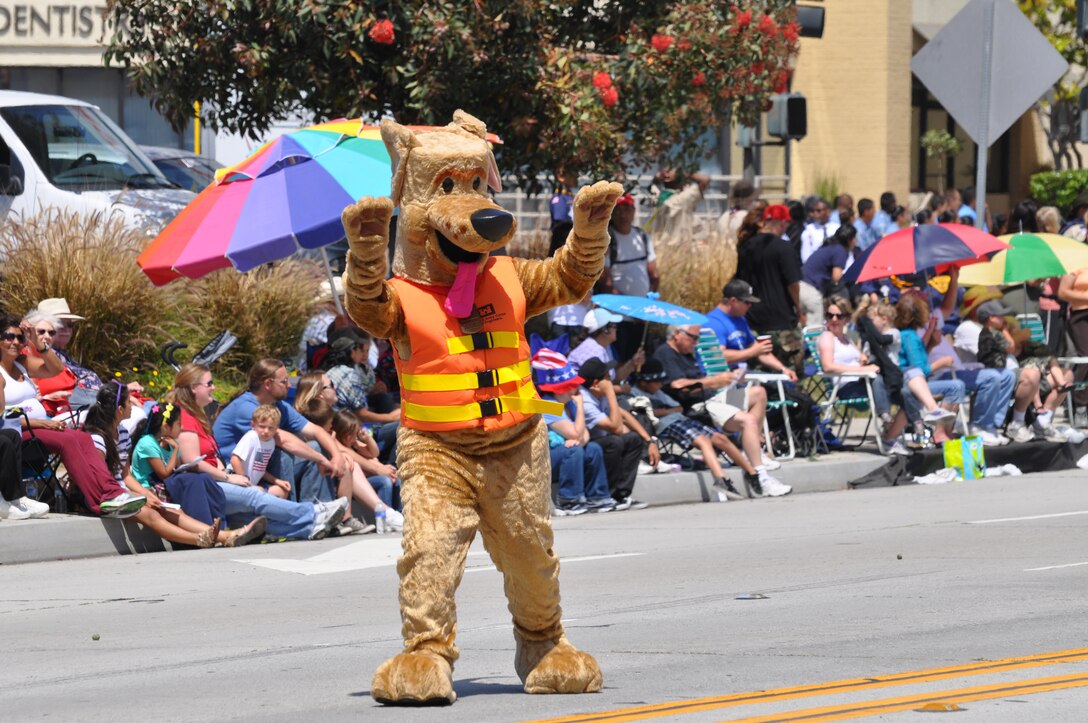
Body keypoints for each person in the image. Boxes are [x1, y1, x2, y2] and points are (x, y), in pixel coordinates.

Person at [167, 364, 350, 542]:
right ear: (193, 388)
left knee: (249, 516)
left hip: (219, 478)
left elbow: (213, 456)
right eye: (209, 384)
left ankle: (309, 528)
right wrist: (229, 478)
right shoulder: (185, 417)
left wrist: (337, 456)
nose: (213, 387)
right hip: (209, 483)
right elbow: (193, 462)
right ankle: (314, 512)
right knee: (255, 496)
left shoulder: (194, 416)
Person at [1, 314, 144, 517]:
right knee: (69, 441)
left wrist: (36, 341)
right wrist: (41, 422)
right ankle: (99, 501)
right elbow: (3, 418)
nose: (15, 342)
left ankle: (111, 492)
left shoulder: (21, 363)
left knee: (83, 436)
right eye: (8, 336)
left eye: (19, 337)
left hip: (40, 429)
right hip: (18, 434)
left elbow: (56, 369)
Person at [83, 383, 229, 548]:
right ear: (120, 409)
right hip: (107, 497)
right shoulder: (97, 439)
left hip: (121, 493)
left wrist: (146, 495)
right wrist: (139, 497)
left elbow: (126, 476)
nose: (134, 405)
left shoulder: (122, 432)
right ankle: (201, 539)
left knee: (172, 510)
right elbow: (101, 482)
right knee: (152, 514)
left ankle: (224, 536)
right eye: (129, 402)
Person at [652, 324, 790, 496]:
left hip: (712, 397)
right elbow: (678, 386)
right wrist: (712, 381)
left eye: (698, 338)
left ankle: (751, 449)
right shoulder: (665, 353)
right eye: (693, 337)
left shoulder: (687, 353)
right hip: (697, 406)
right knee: (748, 420)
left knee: (759, 393)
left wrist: (727, 380)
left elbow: (701, 382)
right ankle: (761, 475)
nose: (696, 342)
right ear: (677, 334)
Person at [628, 360, 773, 501]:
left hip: (681, 419)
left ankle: (751, 473)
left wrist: (667, 410)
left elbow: (678, 408)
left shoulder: (659, 393)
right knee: (703, 441)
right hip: (667, 425)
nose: (660, 384)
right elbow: (648, 414)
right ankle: (721, 480)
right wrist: (667, 411)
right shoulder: (635, 393)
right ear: (644, 382)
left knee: (720, 438)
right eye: (657, 382)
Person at [131, 403, 266, 546]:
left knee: (202, 478)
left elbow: (175, 467)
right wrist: (176, 449)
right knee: (188, 489)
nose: (182, 427)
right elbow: (164, 474)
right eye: (178, 424)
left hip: (163, 484)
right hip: (150, 487)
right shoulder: (147, 443)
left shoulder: (168, 443)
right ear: (166, 427)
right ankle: (218, 535)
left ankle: (217, 529)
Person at [531, 349, 616, 515]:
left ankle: (597, 497)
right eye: (569, 387)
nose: (574, 391)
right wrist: (580, 410)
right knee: (573, 450)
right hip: (544, 459)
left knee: (593, 449)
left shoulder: (569, 403)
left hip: (565, 451)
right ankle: (568, 499)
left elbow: (585, 436)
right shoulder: (548, 405)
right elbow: (576, 434)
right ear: (556, 389)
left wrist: (577, 439)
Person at [973, 300, 1067, 443]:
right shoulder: (991, 332)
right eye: (1000, 317)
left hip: (1006, 373)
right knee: (1031, 373)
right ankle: (1017, 423)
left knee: (1055, 373)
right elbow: (1010, 346)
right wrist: (1005, 330)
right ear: (991, 318)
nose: (1004, 320)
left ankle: (1041, 420)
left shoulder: (993, 332)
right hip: (998, 373)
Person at [577, 358, 656, 510]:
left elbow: (623, 414)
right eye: (607, 378)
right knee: (615, 441)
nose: (610, 380)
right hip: (586, 447)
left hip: (602, 442)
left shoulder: (598, 395)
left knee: (634, 439)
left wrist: (649, 440)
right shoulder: (586, 401)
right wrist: (611, 393)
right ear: (595, 383)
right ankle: (607, 494)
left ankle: (621, 495)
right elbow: (617, 428)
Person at [735, 204, 806, 374]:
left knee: (759, 372)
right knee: (790, 371)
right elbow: (793, 284)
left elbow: (741, 281)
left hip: (753, 318)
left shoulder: (745, 247)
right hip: (781, 319)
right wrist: (799, 308)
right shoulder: (784, 247)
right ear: (781, 223)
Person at [894, 294, 966, 445]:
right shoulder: (909, 337)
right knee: (956, 386)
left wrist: (931, 339)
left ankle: (944, 432)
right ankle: (940, 433)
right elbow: (919, 371)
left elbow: (918, 356)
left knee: (956, 386)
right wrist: (942, 362)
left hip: (913, 383)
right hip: (911, 386)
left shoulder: (908, 335)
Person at [703, 279, 797, 381]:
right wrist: (752, 352)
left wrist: (783, 369)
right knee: (776, 390)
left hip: (743, 374)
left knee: (789, 387)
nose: (750, 306)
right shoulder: (713, 323)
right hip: (724, 378)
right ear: (733, 301)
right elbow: (718, 356)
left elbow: (759, 350)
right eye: (747, 302)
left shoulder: (740, 319)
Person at [605, 193, 659, 361]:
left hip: (642, 316)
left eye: (627, 210)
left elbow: (654, 274)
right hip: (618, 317)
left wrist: (647, 305)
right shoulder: (607, 240)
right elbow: (606, 284)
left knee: (641, 359)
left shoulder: (642, 237)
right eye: (618, 210)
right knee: (623, 361)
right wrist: (632, 309)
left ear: (634, 211)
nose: (623, 215)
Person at [568, 307, 644, 383]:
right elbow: (595, 387)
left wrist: (632, 363)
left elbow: (612, 379)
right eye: (614, 326)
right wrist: (621, 389)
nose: (617, 329)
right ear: (605, 330)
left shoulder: (605, 348)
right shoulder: (594, 351)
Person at [230, 404, 291, 498]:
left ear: (277, 428)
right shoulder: (251, 437)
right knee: (261, 491)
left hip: (252, 484)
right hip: (237, 481)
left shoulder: (271, 443)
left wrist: (277, 481)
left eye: (271, 428)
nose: (266, 431)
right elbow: (235, 459)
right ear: (253, 425)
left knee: (282, 491)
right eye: (262, 426)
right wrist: (244, 480)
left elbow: (260, 469)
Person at [801, 224, 857, 324]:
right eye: (855, 238)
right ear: (850, 240)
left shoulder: (830, 246)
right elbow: (836, 277)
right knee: (815, 329)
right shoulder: (840, 250)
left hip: (801, 286)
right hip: (811, 289)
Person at [645, 168, 711, 247]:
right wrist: (686, 173)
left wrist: (660, 176)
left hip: (660, 249)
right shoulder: (680, 200)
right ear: (682, 182)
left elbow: (652, 185)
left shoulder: (658, 197)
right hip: (677, 250)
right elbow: (705, 180)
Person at [799, 197, 839, 264]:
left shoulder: (837, 228)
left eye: (818, 210)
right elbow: (805, 257)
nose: (815, 213)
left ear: (828, 211)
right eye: (813, 210)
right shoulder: (809, 230)